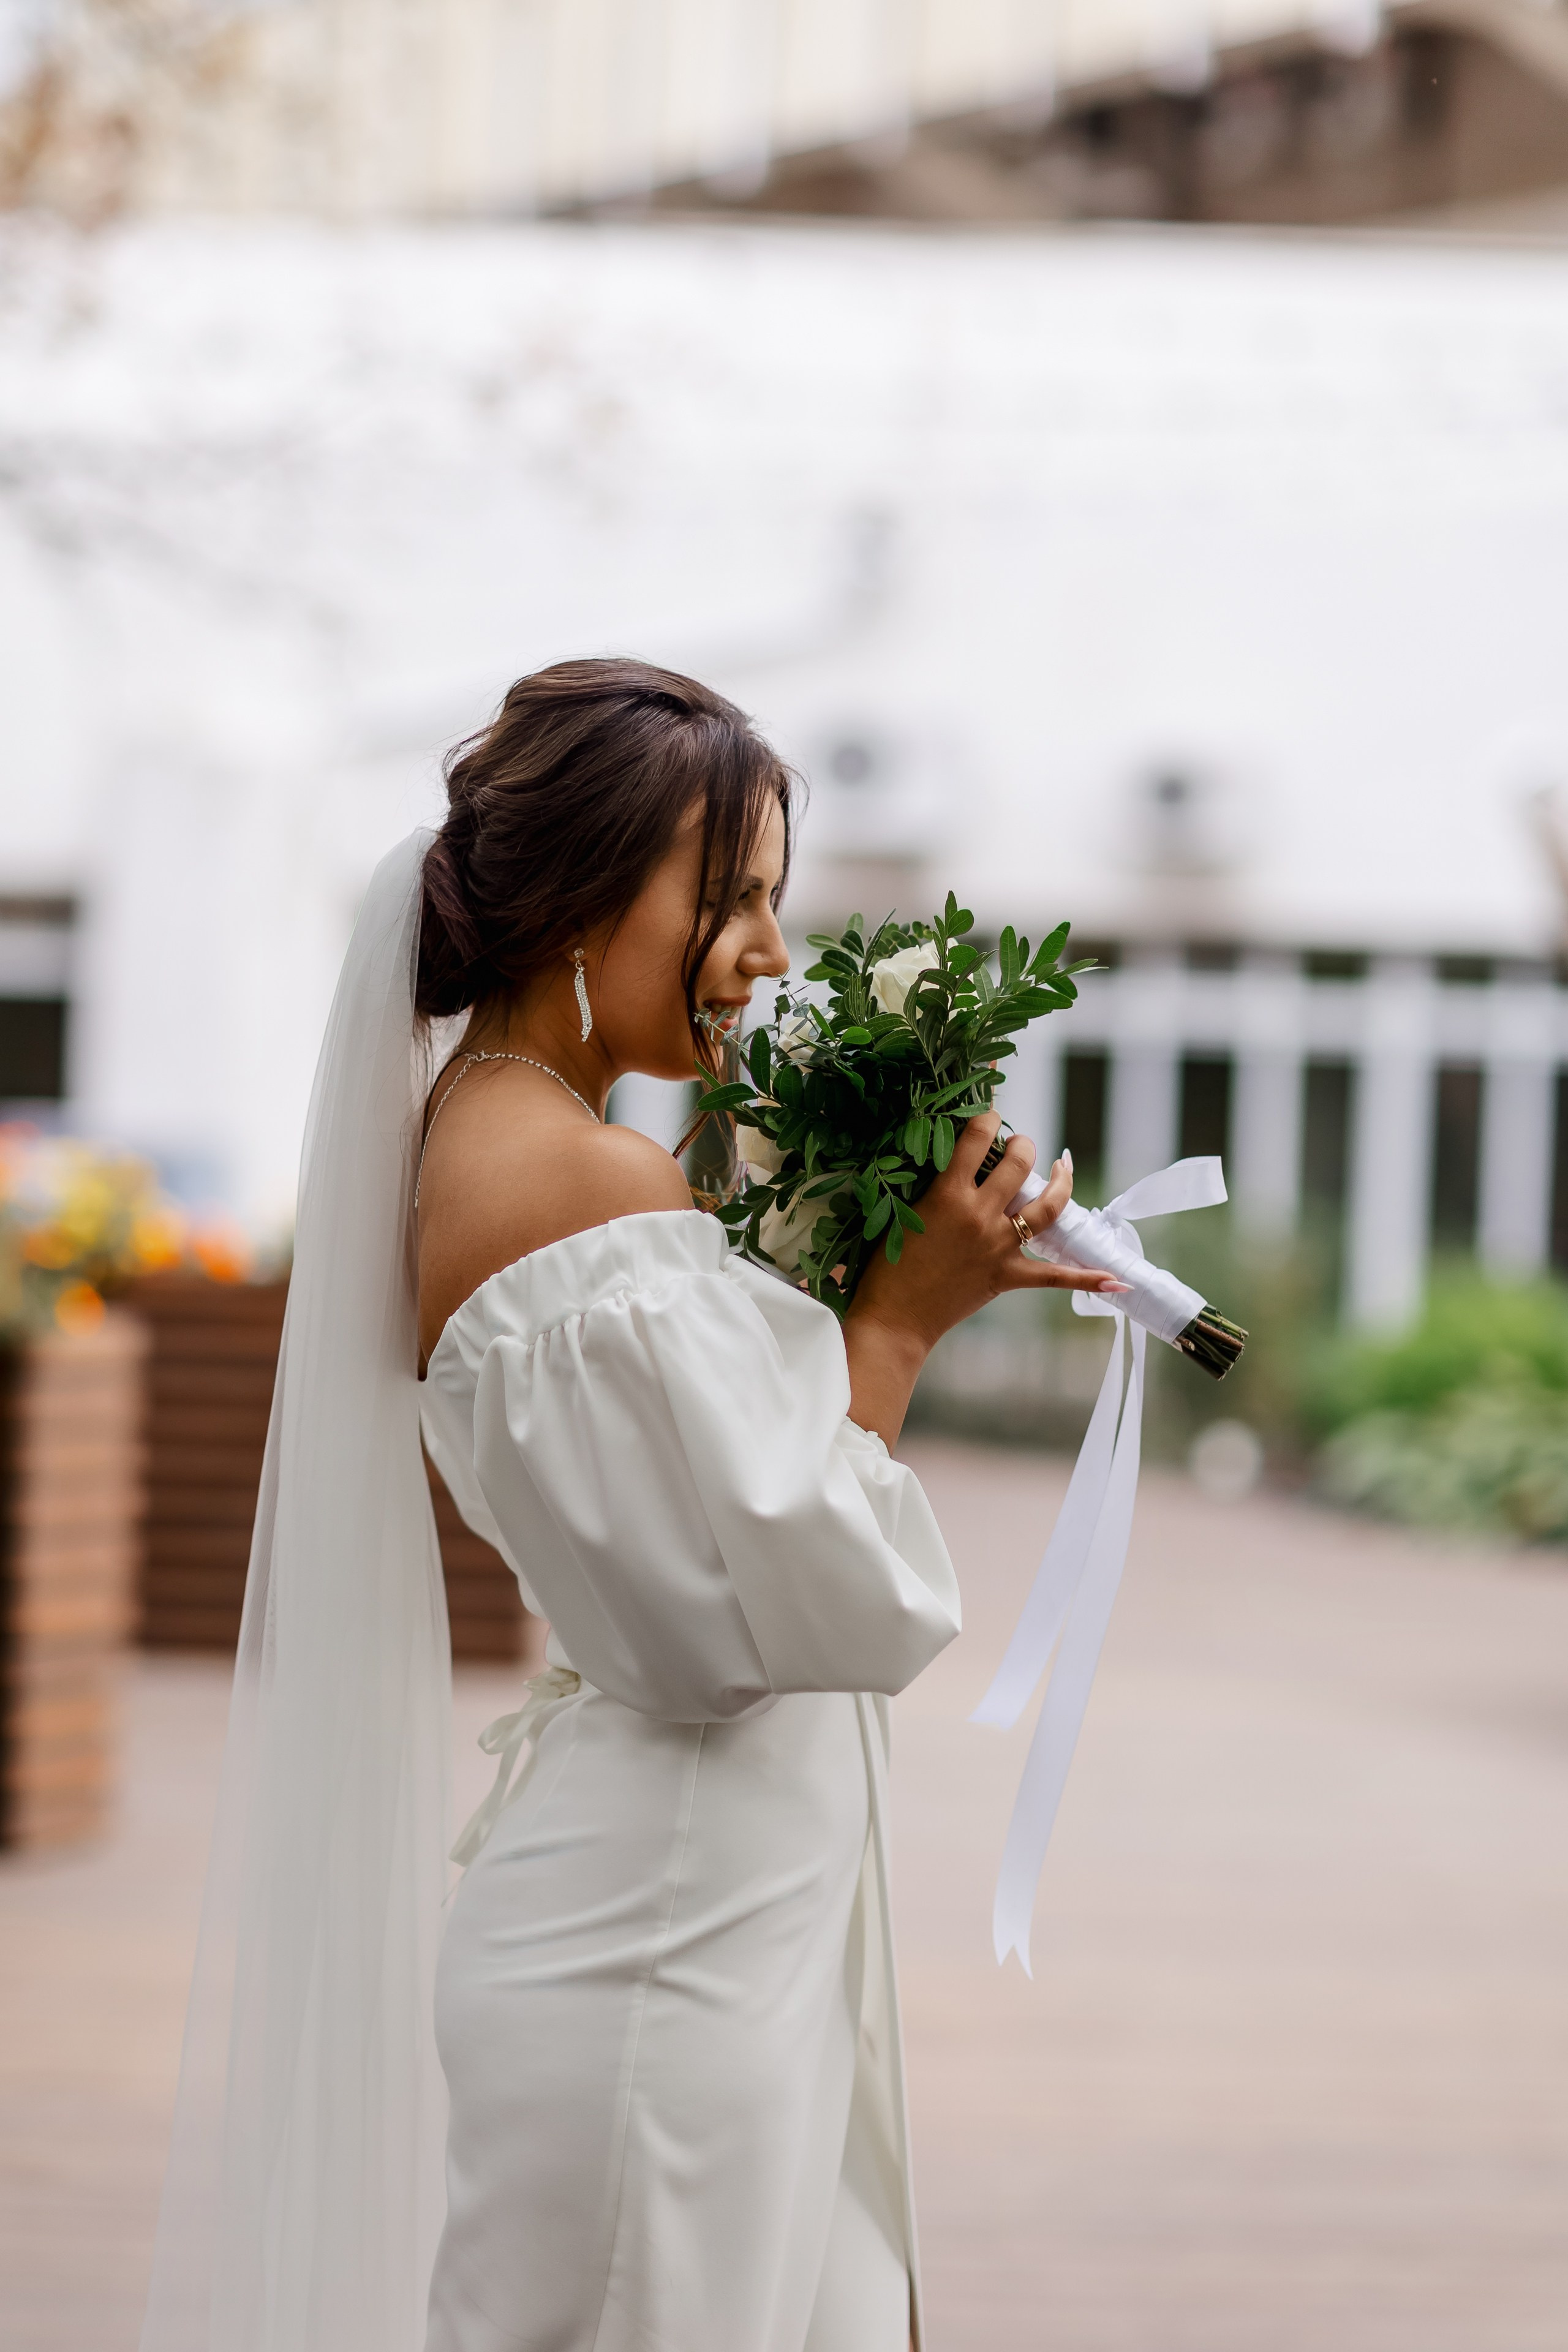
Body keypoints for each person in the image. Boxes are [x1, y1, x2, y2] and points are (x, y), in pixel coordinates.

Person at [138, 658, 1116, 2352]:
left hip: (700, 1909)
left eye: (775, 900)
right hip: (665, 1939)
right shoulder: (578, 1170)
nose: (769, 951)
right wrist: (895, 1320)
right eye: (725, 896)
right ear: (588, 896)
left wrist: (857, 1266)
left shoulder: (525, 1143)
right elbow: (765, 1602)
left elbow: (711, 1478)